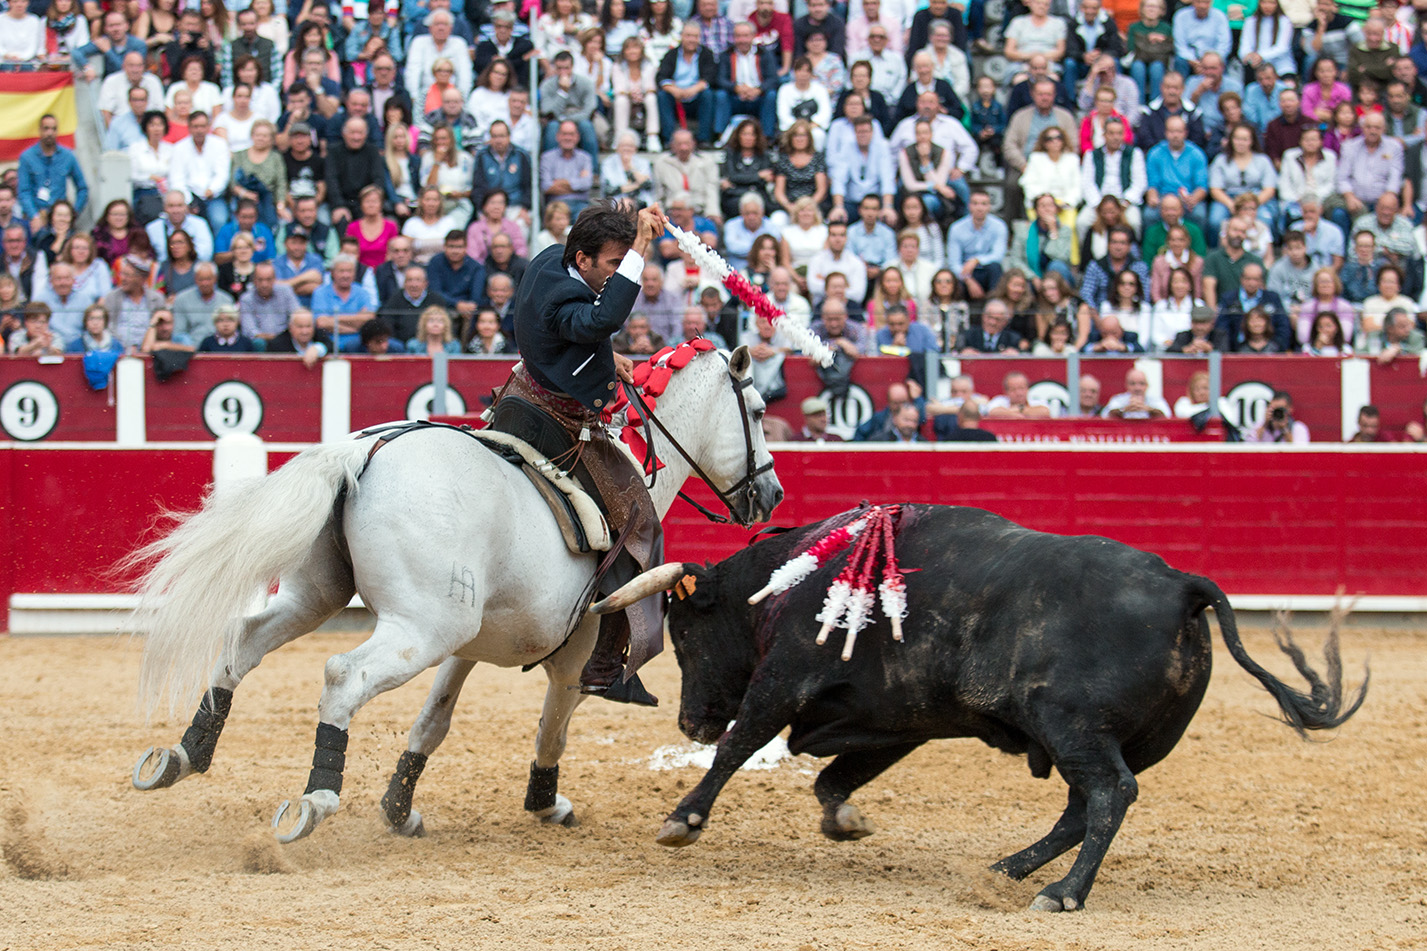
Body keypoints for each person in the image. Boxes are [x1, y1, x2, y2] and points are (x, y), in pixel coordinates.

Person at [488, 199, 670, 706]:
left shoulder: (550, 257)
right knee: (637, 523)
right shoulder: (568, 297)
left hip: (521, 394)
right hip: (555, 421)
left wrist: (605, 357)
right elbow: (598, 319)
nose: (616, 272)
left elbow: (569, 332)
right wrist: (640, 246)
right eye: (612, 263)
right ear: (584, 259)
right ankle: (605, 665)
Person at [1104, 367, 1170, 419]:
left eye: (1142, 383)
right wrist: (1123, 410)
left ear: (1147, 385)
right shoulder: (1117, 400)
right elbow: (1105, 416)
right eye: (1132, 384)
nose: (1137, 388)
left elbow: (1167, 417)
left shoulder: (1157, 400)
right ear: (1126, 385)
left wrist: (1149, 410)